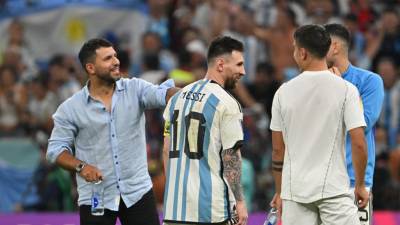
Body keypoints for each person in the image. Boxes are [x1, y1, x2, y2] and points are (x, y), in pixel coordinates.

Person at [46, 38, 178, 225]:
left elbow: (162, 94)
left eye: (115, 56)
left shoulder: (136, 88)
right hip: (97, 196)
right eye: (108, 58)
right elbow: (55, 151)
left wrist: (193, 93)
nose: (116, 61)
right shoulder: (70, 108)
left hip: (137, 192)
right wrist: (81, 167)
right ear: (91, 68)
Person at [269, 24, 369, 225]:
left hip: (295, 193)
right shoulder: (347, 90)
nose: (294, 54)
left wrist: (280, 192)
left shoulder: (282, 92)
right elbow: (359, 143)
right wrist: (359, 185)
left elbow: (278, 150)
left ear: (303, 53)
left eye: (295, 49)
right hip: (334, 192)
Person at [162, 36, 248, 225]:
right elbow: (231, 156)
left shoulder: (176, 98)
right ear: (220, 64)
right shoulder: (227, 103)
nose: (243, 71)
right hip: (211, 211)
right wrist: (240, 201)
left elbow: (166, 149)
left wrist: (176, 188)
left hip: (174, 209)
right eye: (239, 64)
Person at [324, 23, 385, 225]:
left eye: (319, 44)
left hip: (354, 182)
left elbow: (363, 124)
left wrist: (340, 88)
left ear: (334, 47)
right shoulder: (313, 83)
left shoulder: (370, 81)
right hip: (319, 182)